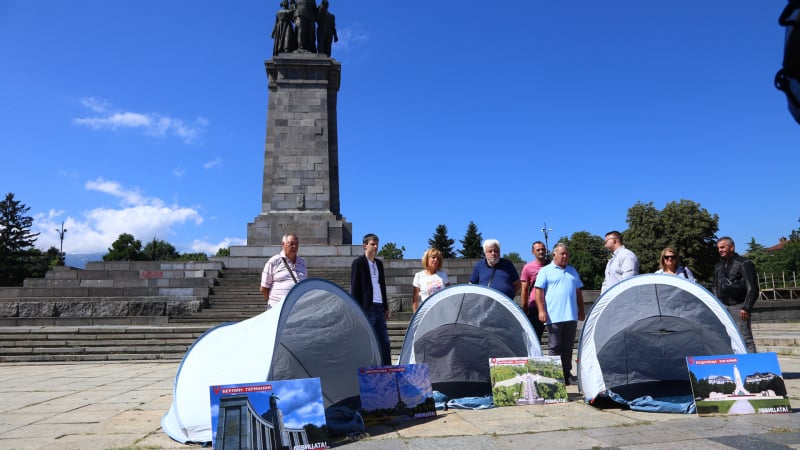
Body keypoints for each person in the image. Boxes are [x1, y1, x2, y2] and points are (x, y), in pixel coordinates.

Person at [533, 243, 585, 385]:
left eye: (567, 254)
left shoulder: (572, 271)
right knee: (554, 347)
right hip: (553, 316)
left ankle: (567, 375)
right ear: (554, 254)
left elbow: (578, 292)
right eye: (562, 254)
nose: (565, 256)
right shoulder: (545, 271)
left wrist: (582, 309)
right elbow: (538, 292)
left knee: (568, 348)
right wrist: (541, 310)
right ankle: (554, 377)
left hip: (571, 316)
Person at [350, 233, 392, 365]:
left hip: (379, 306)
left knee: (384, 342)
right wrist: (357, 309)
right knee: (368, 340)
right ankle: (367, 370)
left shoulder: (379, 264)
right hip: (367, 308)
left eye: (376, 244)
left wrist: (385, 306)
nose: (375, 247)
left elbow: (382, 286)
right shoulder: (358, 263)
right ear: (365, 245)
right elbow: (354, 287)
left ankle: (387, 370)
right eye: (372, 244)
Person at [714, 237, 759, 353]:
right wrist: (716, 305)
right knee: (726, 339)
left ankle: (753, 368)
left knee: (745, 338)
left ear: (732, 247)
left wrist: (747, 307)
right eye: (718, 248)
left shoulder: (744, 263)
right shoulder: (718, 266)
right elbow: (715, 286)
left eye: (722, 247)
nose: (720, 250)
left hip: (739, 307)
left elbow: (752, 288)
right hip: (723, 307)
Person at [260, 233, 307, 309]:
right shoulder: (273, 262)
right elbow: (264, 288)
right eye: (291, 244)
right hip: (278, 309)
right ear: (283, 244)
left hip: (298, 309)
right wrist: (275, 304)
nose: (294, 246)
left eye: (296, 244)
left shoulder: (302, 263)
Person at [520, 241, 548, 342]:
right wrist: (525, 308)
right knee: (535, 337)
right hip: (534, 307)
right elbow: (524, 289)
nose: (541, 251)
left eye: (543, 249)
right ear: (533, 252)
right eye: (538, 250)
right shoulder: (528, 268)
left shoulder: (552, 266)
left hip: (551, 306)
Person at [412, 248, 450, 312]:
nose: (436, 260)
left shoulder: (443, 275)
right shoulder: (418, 276)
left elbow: (449, 295)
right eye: (433, 257)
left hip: (442, 312)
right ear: (426, 259)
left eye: (438, 258)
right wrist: (415, 315)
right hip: (426, 313)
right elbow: (415, 299)